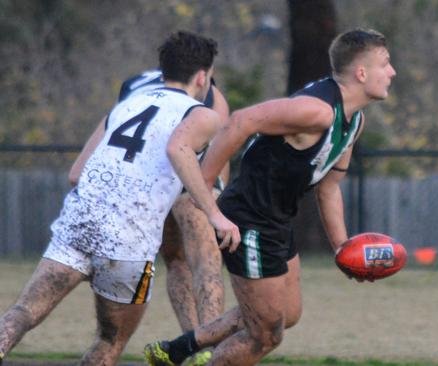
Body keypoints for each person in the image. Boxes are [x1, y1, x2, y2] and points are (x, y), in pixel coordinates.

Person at [143, 28, 396, 366]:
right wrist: (204, 188)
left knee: (288, 314)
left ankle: (176, 350)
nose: (392, 71)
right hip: (247, 221)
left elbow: (329, 187)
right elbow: (240, 121)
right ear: (361, 73)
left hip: (275, 222)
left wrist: (342, 248)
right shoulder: (317, 111)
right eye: (386, 63)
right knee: (265, 333)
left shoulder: (354, 121)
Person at [0, 31, 225, 366]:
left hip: (79, 223)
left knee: (21, 314)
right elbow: (178, 149)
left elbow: (76, 174)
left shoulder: (127, 106)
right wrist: (214, 213)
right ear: (203, 76)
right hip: (128, 242)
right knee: (109, 340)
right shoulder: (203, 114)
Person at [69, 68, 230, 334]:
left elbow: (93, 155)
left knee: (176, 261)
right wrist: (213, 197)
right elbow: (219, 145)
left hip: (144, 183)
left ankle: (191, 343)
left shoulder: (134, 83)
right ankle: (207, 343)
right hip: (188, 179)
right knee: (206, 261)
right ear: (202, 73)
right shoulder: (208, 91)